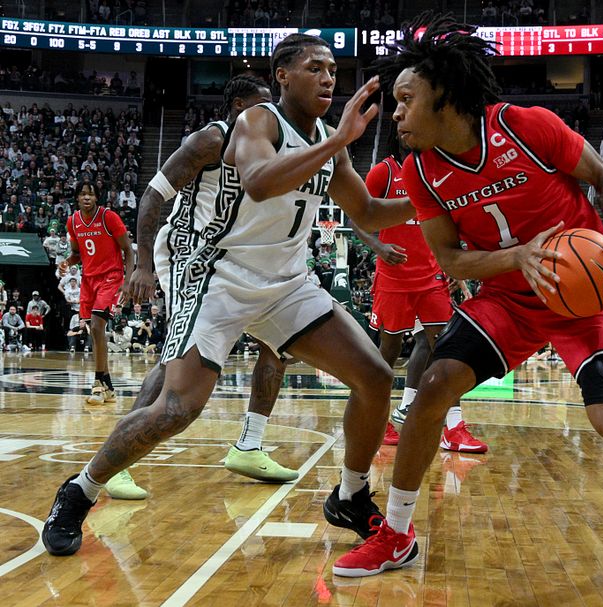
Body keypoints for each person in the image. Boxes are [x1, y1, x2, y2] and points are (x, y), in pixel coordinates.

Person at [332, 15, 603, 577]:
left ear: (446, 96)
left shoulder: (527, 125)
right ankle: (398, 535)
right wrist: (518, 258)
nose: (397, 113)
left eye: (406, 99)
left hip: (586, 293)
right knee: (432, 385)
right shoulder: (421, 174)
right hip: (508, 300)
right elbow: (451, 261)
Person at [42, 33, 415, 557]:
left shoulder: (331, 139)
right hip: (221, 278)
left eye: (333, 69)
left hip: (288, 284)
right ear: (283, 75)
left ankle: (351, 494)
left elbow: (370, 213)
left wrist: (437, 204)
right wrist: (336, 142)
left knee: (375, 376)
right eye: (315, 67)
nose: (329, 78)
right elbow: (261, 182)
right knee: (177, 409)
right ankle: (79, 491)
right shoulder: (256, 122)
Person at [117, 76, 298, 497]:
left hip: (236, 255)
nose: (269, 112)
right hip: (188, 250)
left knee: (279, 345)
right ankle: (119, 462)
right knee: (176, 359)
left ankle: (249, 444)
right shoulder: (209, 140)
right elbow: (152, 196)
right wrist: (142, 265)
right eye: (261, 104)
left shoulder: (271, 143)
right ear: (238, 105)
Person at [351, 127, 486, 452]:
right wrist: (378, 247)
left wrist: (453, 267)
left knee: (447, 349)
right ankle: (378, 420)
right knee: (388, 353)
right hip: (393, 278)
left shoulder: (435, 174)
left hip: (431, 277)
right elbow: (357, 216)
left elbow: (449, 225)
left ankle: (453, 429)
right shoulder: (384, 171)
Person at [61, 182, 134, 406]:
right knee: (94, 331)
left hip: (111, 277)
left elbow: (128, 251)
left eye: (90, 194)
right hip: (89, 279)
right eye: (82, 194)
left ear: (96, 198)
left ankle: (97, 384)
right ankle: (109, 386)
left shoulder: (108, 217)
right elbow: (76, 254)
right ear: (77, 198)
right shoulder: (73, 222)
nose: (86, 198)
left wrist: (128, 281)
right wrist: (66, 262)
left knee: (96, 326)